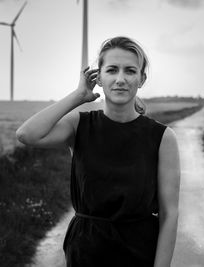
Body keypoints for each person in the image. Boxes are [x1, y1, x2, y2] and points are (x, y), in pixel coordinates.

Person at [16, 36, 180, 267]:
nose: (120, 79)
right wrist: (78, 96)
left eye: (130, 71)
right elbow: (27, 135)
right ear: (99, 78)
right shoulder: (79, 125)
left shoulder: (162, 137)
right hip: (85, 252)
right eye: (111, 70)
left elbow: (170, 214)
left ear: (141, 79)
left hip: (139, 252)